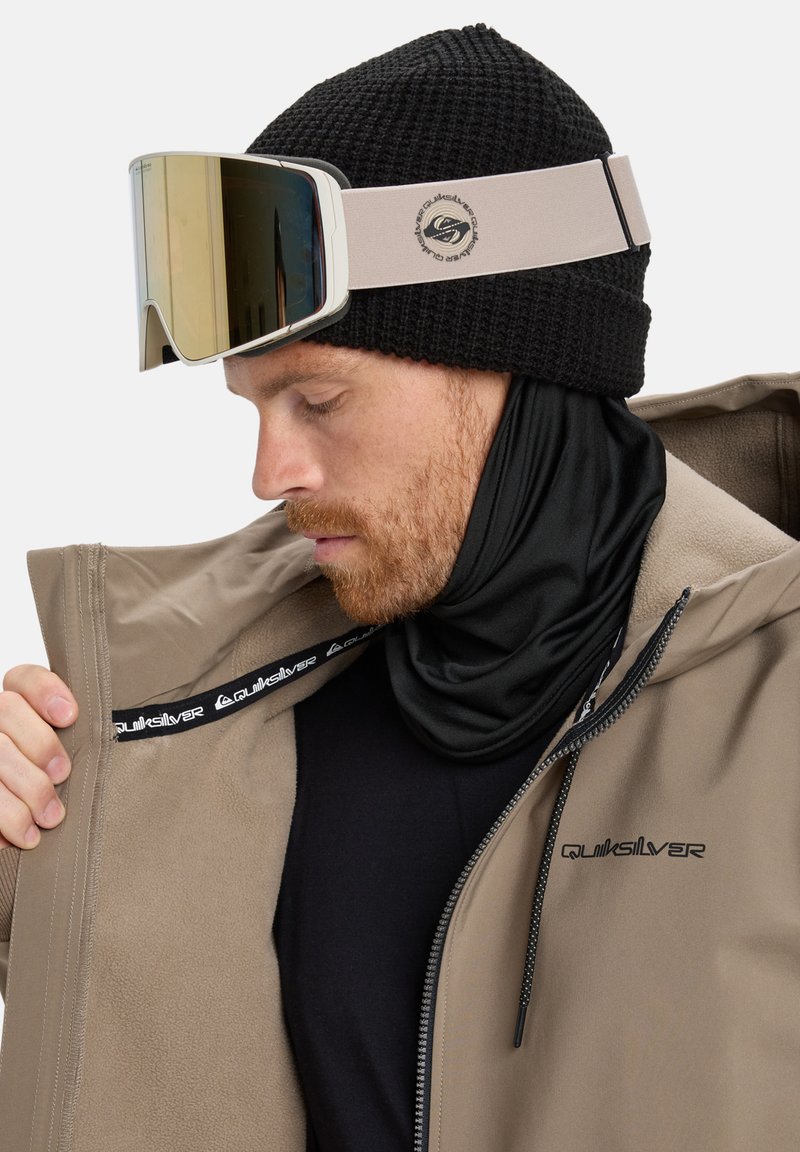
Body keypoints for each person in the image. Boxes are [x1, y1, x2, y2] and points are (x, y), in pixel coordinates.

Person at [0, 23, 798, 1152]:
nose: (270, 473)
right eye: (255, 410)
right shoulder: (211, 722)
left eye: (319, 402)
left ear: (518, 359)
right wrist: (27, 868)